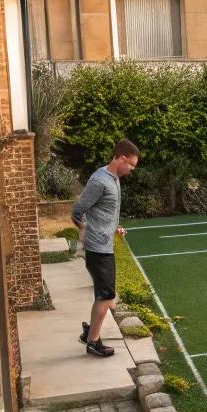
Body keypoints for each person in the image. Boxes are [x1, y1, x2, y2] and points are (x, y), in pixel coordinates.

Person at [71, 140, 139, 357]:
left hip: (104, 246)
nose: (132, 170)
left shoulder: (114, 178)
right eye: (131, 165)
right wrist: (87, 232)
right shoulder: (99, 180)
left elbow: (104, 211)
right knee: (106, 297)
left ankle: (90, 332)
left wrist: (114, 227)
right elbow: (77, 212)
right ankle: (92, 341)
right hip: (98, 249)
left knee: (107, 297)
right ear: (120, 158)